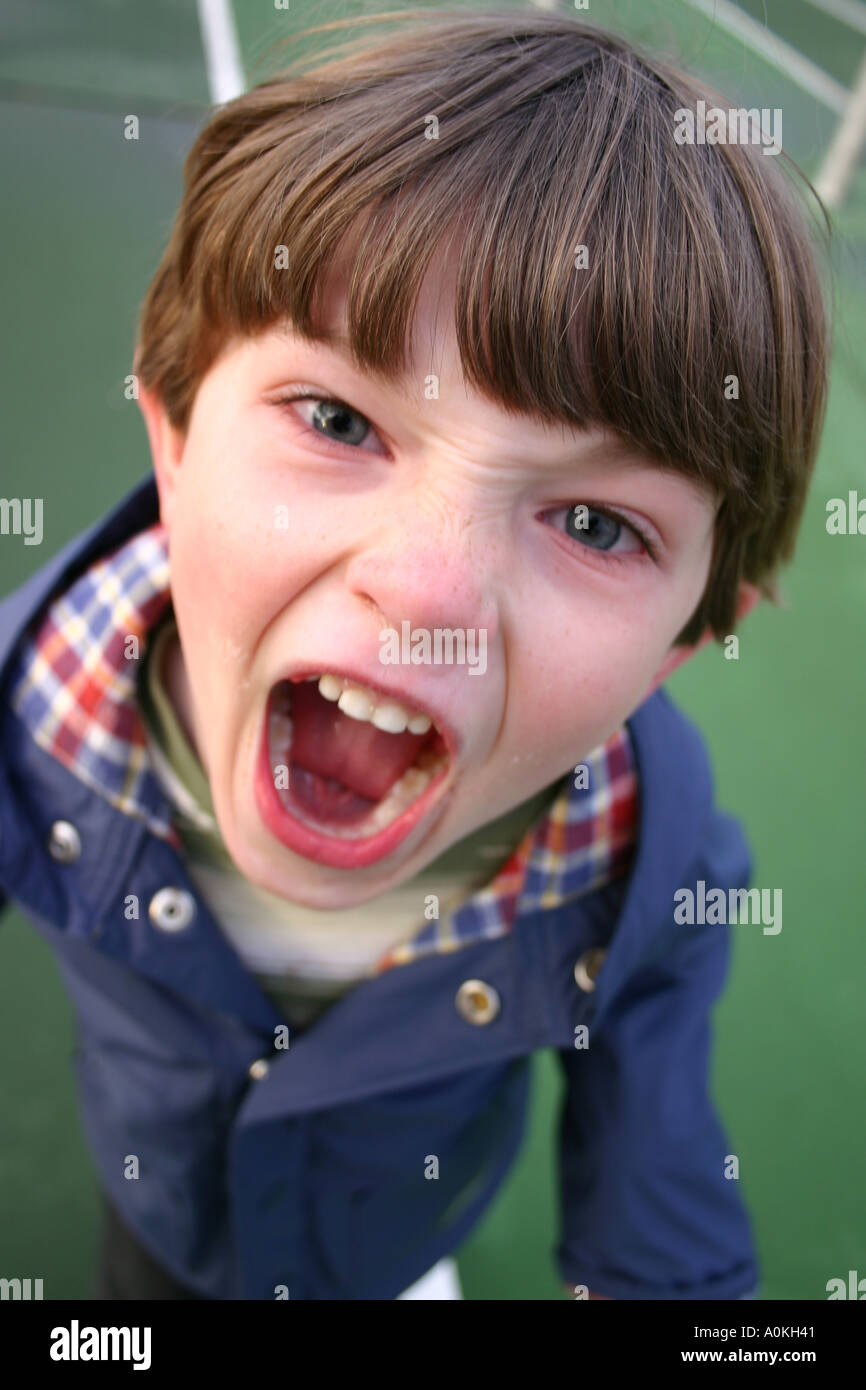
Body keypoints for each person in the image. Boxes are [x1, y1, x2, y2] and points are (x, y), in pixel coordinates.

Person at [0, 8, 828, 1300]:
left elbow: (659, 1203)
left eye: (597, 522)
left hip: (389, 1239)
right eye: (335, 417)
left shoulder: (643, 867)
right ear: (171, 442)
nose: (427, 589)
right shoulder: (27, 723)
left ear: (676, 650)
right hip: (160, 1219)